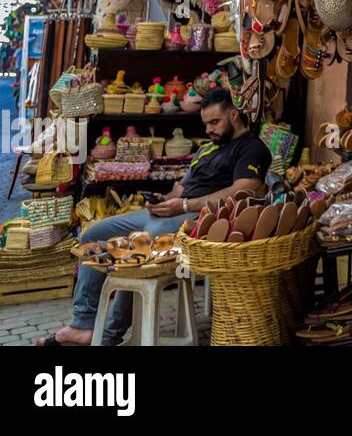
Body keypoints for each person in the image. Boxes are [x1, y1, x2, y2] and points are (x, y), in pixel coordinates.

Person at [39, 86, 271, 346]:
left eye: (215, 122)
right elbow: (180, 188)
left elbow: (243, 191)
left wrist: (183, 206)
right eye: (206, 124)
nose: (209, 130)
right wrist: (166, 199)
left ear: (234, 115)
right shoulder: (207, 149)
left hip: (200, 221)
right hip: (172, 212)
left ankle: (109, 334)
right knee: (93, 233)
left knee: (140, 244)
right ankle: (83, 324)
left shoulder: (252, 148)